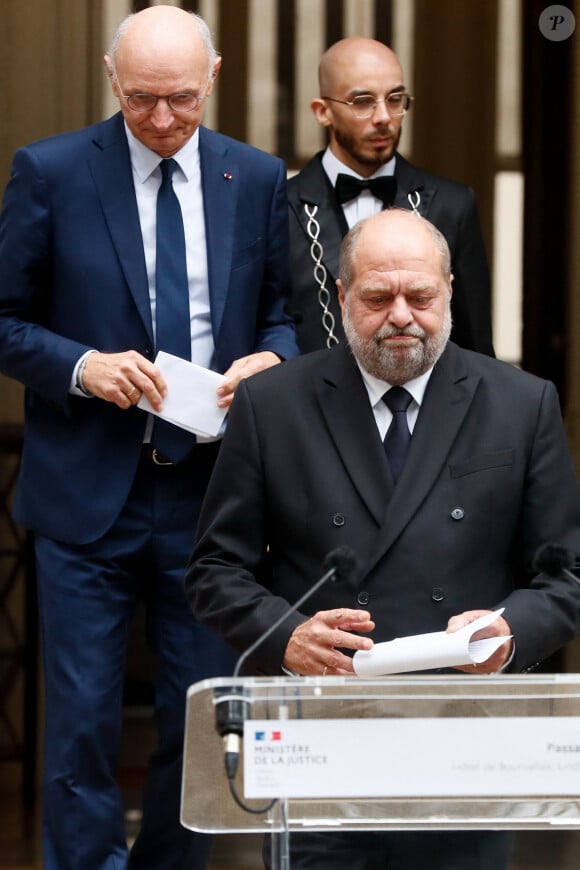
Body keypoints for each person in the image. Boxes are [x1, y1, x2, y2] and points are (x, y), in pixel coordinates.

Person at [186, 209, 580, 870]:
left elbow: (568, 573)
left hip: (464, 735)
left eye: (420, 297)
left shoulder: (521, 403)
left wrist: (510, 631)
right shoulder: (273, 404)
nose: (401, 315)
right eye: (377, 298)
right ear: (341, 297)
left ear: (450, 291)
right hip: (324, 736)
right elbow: (215, 569)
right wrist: (287, 635)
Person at [0, 6, 298, 870]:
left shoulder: (257, 175)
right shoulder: (50, 171)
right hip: (85, 489)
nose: (162, 121)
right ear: (108, 76)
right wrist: (83, 365)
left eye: (179, 99)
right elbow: (6, 319)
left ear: (213, 77)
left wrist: (270, 362)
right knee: (84, 720)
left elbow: (285, 317)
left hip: (212, 493)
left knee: (200, 714)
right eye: (141, 101)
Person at [288, 36, 494, 357]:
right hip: (309, 402)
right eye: (363, 102)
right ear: (322, 112)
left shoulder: (453, 206)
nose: (384, 116)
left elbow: (475, 347)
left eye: (395, 99)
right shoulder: (278, 205)